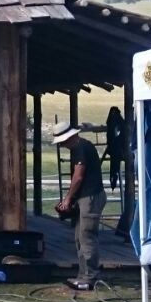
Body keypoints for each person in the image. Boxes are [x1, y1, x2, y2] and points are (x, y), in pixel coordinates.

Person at [53, 121, 106, 287]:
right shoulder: (79, 148)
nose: (62, 145)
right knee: (79, 237)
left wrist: (68, 199)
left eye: (62, 141)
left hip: (90, 196)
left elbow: (78, 177)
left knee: (87, 236)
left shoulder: (81, 148)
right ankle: (83, 274)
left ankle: (90, 276)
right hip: (84, 197)